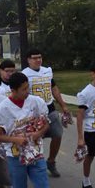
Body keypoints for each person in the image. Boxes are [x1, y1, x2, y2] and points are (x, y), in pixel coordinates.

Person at [22, 49, 71, 178]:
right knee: (35, 140)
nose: (38, 60)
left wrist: (63, 105)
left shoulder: (47, 71)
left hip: (50, 108)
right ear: (28, 60)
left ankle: (51, 161)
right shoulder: (24, 74)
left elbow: (53, 88)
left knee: (57, 134)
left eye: (40, 57)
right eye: (34, 58)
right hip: (34, 112)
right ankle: (33, 164)